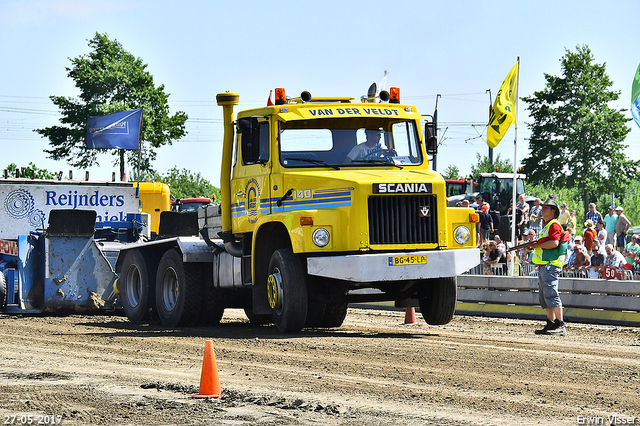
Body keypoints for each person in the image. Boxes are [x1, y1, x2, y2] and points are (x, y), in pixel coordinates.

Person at [528, 198, 569, 336]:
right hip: (545, 265)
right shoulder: (547, 225)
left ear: (553, 211)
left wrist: (537, 245)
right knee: (545, 296)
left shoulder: (554, 225)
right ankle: (551, 323)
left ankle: (560, 324)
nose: (543, 208)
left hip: (550, 264)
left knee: (551, 294)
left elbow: (554, 243)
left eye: (547, 207)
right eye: (543, 206)